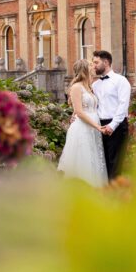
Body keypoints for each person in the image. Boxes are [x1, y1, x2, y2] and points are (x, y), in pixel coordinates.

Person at [57, 59, 108, 188]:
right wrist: (97, 126)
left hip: (92, 128)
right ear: (85, 70)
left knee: (94, 159)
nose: (94, 67)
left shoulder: (90, 86)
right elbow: (79, 112)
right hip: (82, 128)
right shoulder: (76, 87)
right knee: (83, 160)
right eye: (91, 65)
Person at [91, 50, 131, 178]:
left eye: (96, 62)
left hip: (117, 126)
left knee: (116, 163)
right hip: (100, 126)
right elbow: (94, 106)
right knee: (103, 164)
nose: (94, 65)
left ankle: (115, 195)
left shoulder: (121, 81)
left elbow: (123, 105)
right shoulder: (95, 85)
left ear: (106, 62)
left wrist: (112, 126)